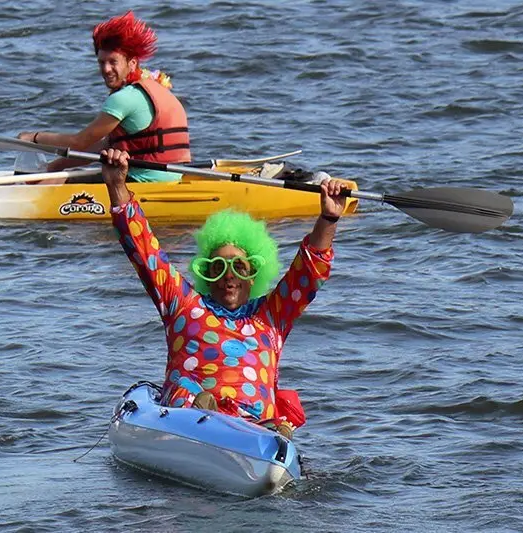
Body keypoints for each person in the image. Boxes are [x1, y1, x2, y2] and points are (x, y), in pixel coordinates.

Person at [101, 148, 348, 439]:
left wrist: (328, 218)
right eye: (218, 267)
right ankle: (205, 412)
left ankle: (266, 431)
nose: (229, 277)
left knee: (263, 423)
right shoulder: (183, 305)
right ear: (205, 272)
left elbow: (307, 275)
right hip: (189, 417)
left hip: (252, 427)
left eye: (239, 267)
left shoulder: (271, 317)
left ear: (253, 274)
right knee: (191, 399)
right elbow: (145, 252)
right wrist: (117, 186)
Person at [19, 11, 190, 184]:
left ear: (132, 63)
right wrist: (56, 166)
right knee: (64, 175)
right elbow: (103, 146)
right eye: (101, 62)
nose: (106, 69)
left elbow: (79, 142)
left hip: (141, 183)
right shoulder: (154, 87)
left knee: (52, 183)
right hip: (171, 180)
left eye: (113, 62)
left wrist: (34, 137)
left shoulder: (124, 98)